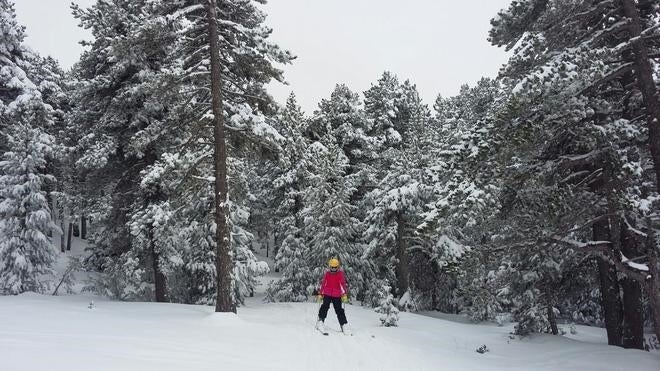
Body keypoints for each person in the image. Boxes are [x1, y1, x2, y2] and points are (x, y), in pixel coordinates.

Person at [316, 257, 351, 335]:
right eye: (332, 267)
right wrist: (321, 294)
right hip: (327, 293)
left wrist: (344, 294)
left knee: (339, 309)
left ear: (338, 267)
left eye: (335, 267)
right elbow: (323, 283)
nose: (334, 269)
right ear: (329, 266)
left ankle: (343, 324)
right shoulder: (327, 274)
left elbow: (342, 284)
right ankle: (320, 321)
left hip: (337, 294)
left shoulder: (340, 274)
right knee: (325, 306)